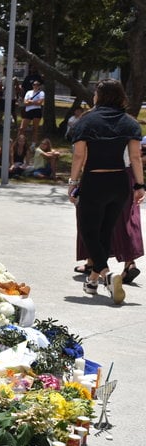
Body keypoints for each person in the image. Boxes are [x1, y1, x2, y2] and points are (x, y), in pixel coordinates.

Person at [68, 78, 144, 304]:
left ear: (98, 96)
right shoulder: (130, 123)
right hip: (120, 182)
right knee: (105, 231)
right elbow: (135, 157)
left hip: (95, 180)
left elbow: (79, 155)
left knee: (89, 231)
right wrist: (140, 185)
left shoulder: (87, 120)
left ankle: (106, 275)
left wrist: (73, 181)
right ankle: (92, 281)